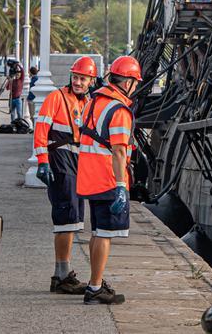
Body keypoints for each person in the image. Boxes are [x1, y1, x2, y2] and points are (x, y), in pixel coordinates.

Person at [77, 55, 142, 305]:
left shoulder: (93, 102)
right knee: (104, 233)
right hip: (107, 179)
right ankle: (94, 288)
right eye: (135, 82)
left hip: (89, 176)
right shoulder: (120, 111)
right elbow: (118, 150)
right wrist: (121, 186)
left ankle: (96, 281)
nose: (135, 87)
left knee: (96, 231)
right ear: (127, 82)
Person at [34, 56, 97, 295]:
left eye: (83, 78)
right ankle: (61, 276)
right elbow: (41, 129)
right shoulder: (55, 98)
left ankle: (63, 274)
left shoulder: (88, 102)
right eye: (76, 77)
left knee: (73, 219)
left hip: (77, 163)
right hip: (59, 160)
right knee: (65, 217)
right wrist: (42, 162)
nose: (78, 82)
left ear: (91, 80)